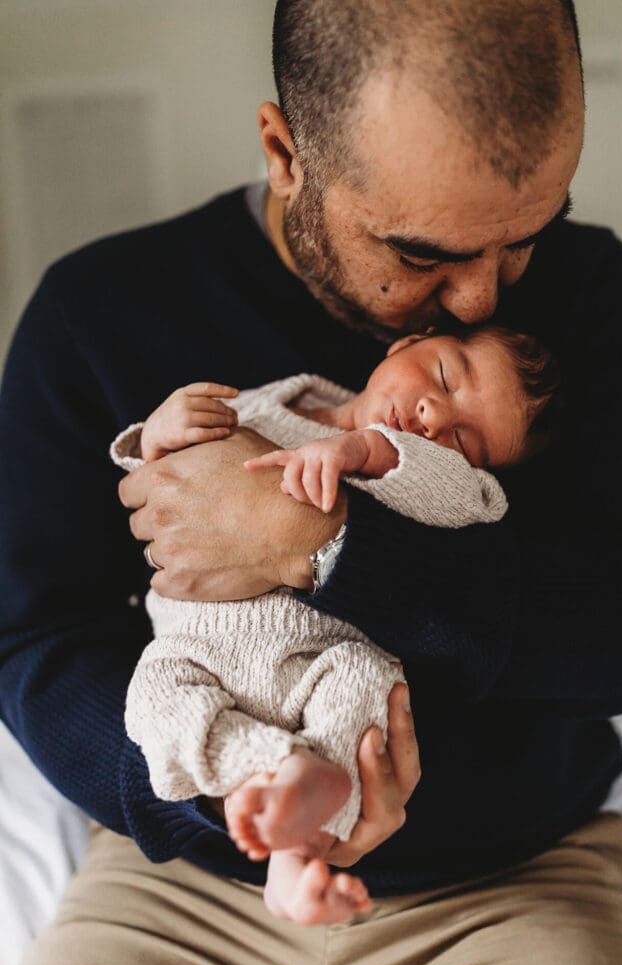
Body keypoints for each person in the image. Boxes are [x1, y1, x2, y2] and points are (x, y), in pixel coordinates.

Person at [0, 0, 622, 965]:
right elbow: (36, 642)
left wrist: (317, 542)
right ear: (284, 151)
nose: (482, 302)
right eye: (420, 255)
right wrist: (234, 804)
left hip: (508, 885)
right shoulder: (97, 312)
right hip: (185, 890)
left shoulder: (586, 301)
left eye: (526, 240)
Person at [111, 326, 552, 926]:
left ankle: (294, 855)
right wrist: (156, 434)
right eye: (446, 376)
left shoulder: (426, 473)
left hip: (321, 657)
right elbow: (159, 487)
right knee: (153, 700)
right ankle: (267, 780)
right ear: (405, 344)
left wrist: (361, 450)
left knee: (369, 689)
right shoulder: (266, 402)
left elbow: (463, 496)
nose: (433, 416)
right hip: (195, 648)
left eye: (465, 440)